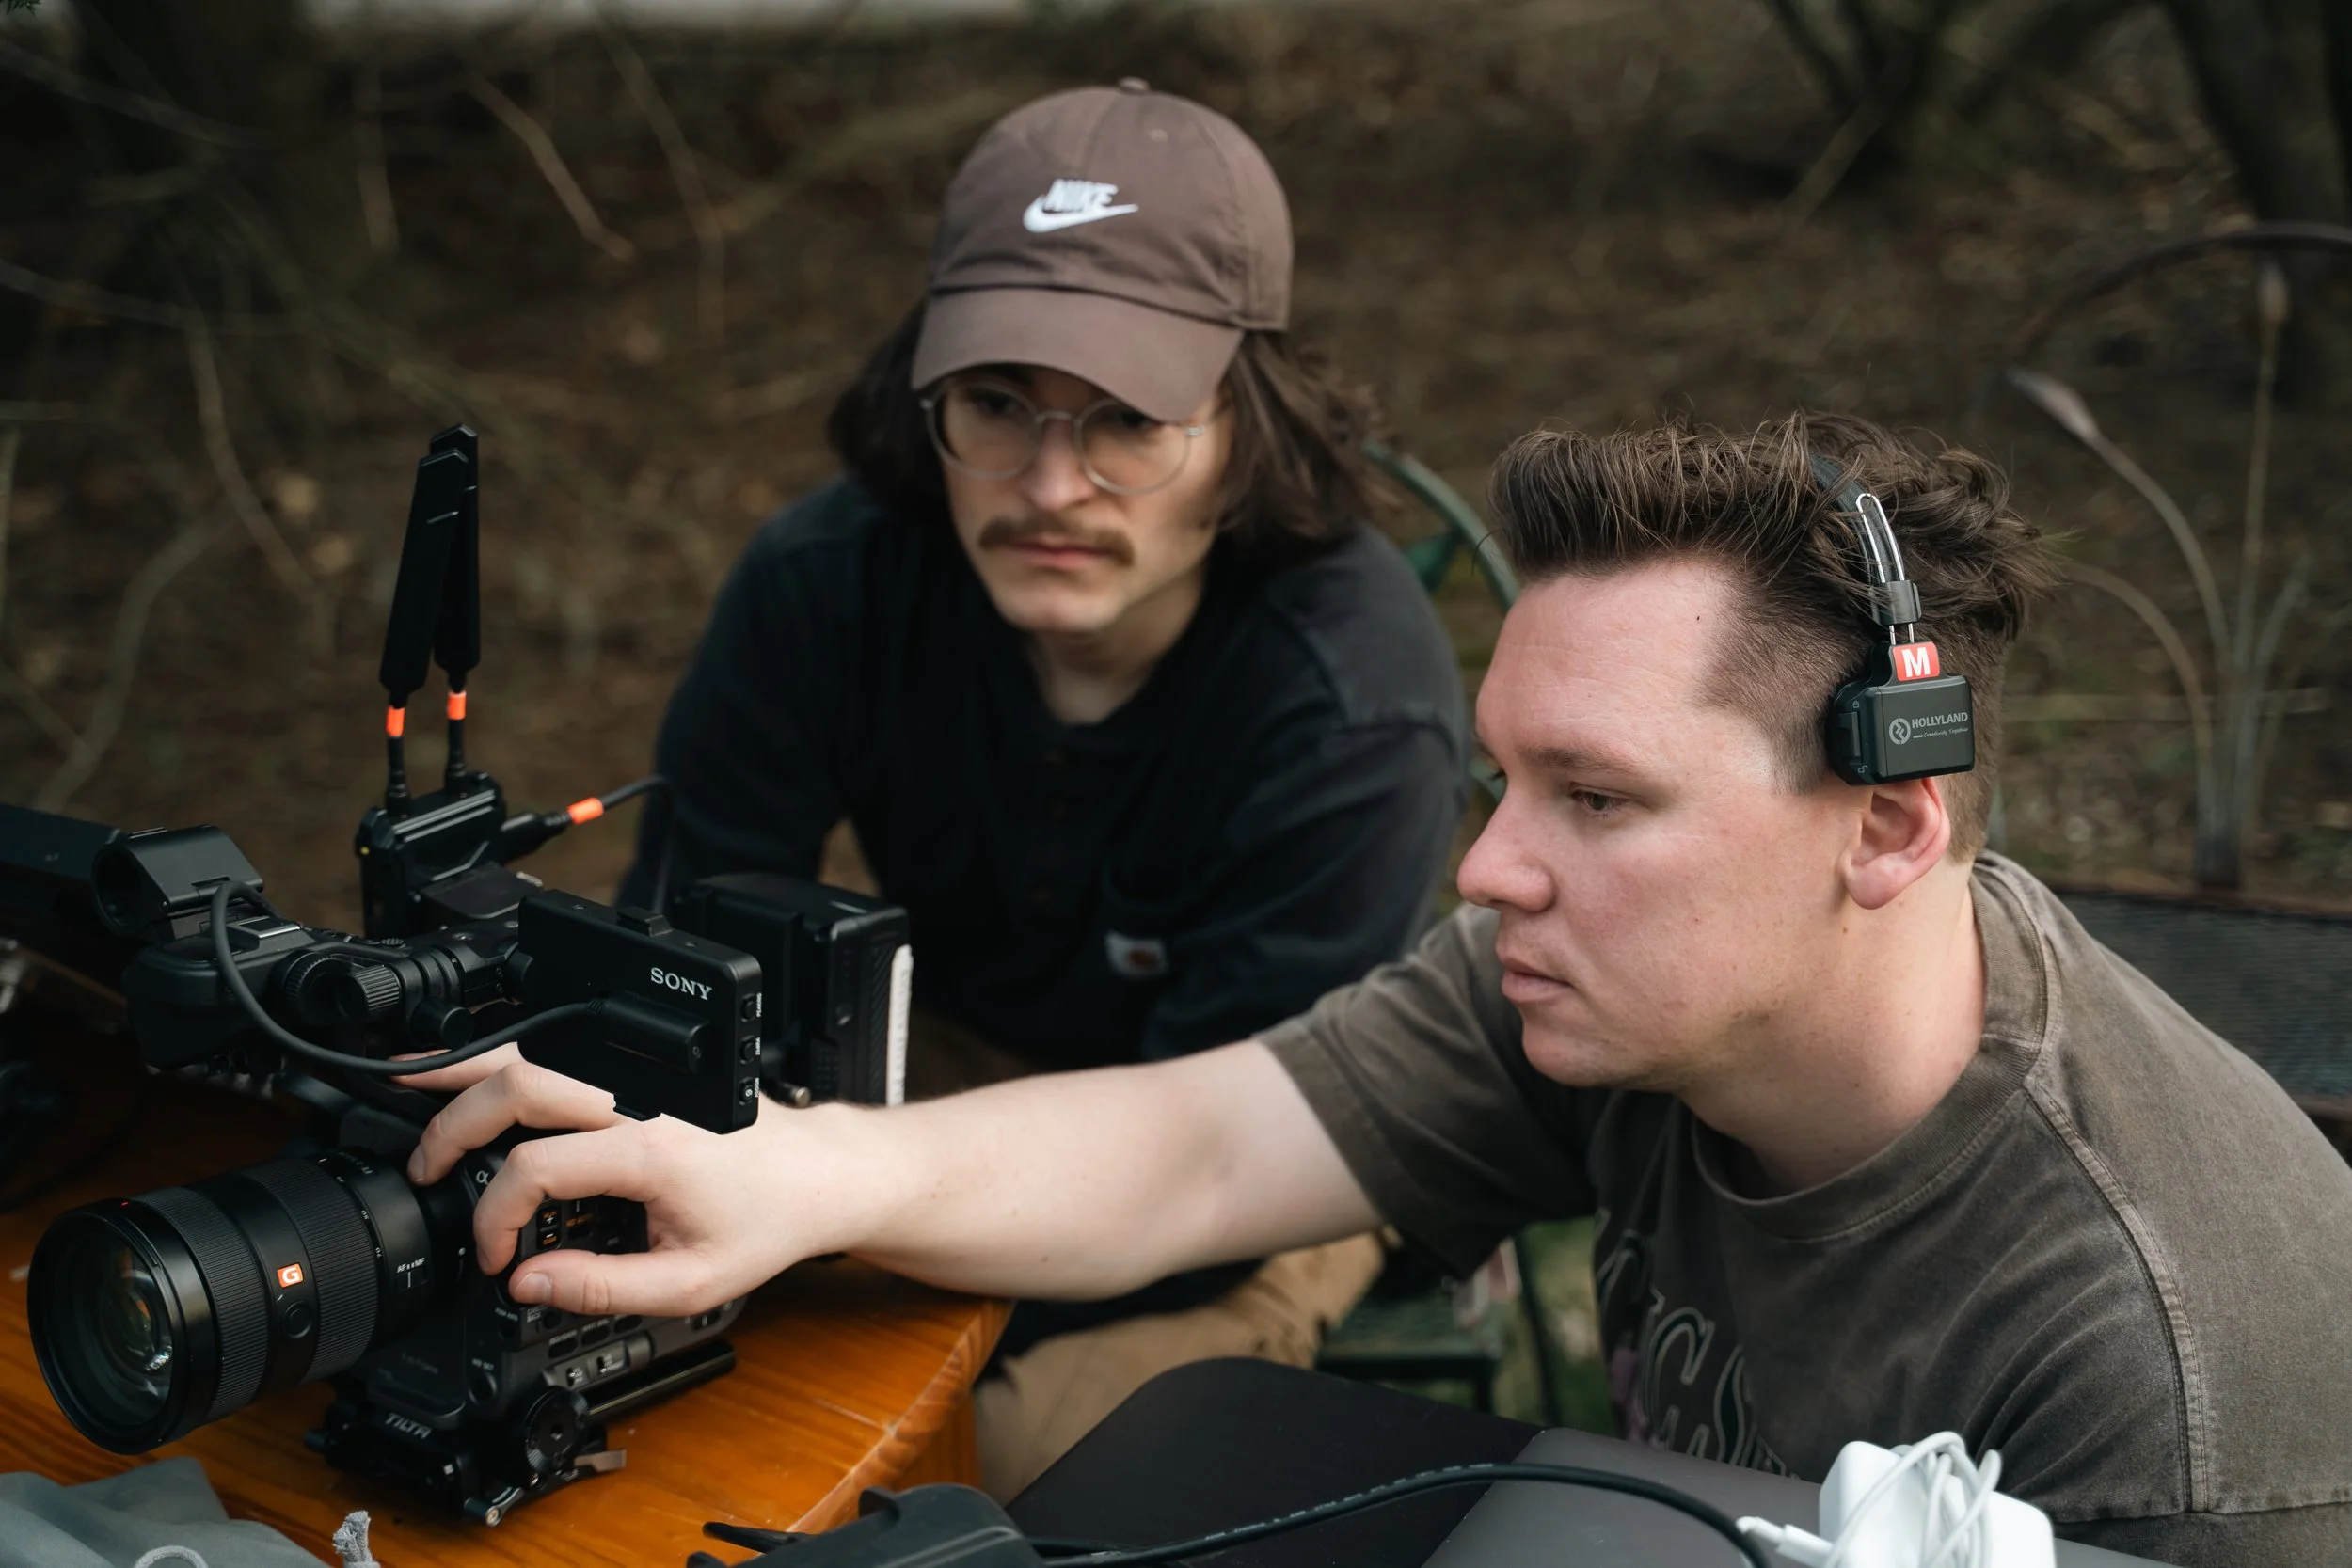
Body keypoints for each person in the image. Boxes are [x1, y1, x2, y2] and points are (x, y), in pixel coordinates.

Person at [406, 412, 2352, 1564]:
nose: (1488, 861)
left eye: (1594, 797)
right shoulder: (1621, 980)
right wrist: (802, 1169)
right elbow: (1210, 1132)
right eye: (1505, 775)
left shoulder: (2166, 1379)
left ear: (1884, 827)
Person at [611, 82, 1468, 1495]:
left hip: (1245, 1146)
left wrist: (830, 1260)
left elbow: (1222, 1175)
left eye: (1129, 419)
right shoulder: (827, 586)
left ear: (1247, 426)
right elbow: (679, 963)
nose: (1053, 485)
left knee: (919, 1478)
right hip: (918, 1067)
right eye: (999, 404)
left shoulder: (1351, 705)